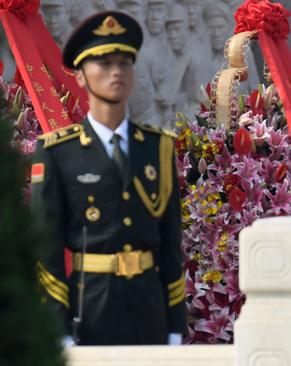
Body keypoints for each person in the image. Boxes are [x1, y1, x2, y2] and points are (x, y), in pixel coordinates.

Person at [30, 11, 186, 345]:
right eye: (103, 62)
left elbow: (172, 245)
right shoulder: (58, 153)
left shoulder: (158, 148)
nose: (117, 71)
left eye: (125, 62)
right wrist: (58, 331)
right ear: (82, 76)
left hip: (149, 308)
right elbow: (47, 248)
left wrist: (175, 325)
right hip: (91, 307)